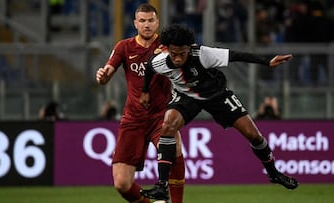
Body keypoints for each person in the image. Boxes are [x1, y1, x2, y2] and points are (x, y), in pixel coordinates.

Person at [139, 24, 299, 201]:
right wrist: (145, 91)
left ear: (189, 48)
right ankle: (162, 185)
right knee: (168, 126)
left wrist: (267, 62)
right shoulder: (159, 61)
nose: (177, 58)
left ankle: (274, 173)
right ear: (166, 49)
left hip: (217, 95)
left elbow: (235, 55)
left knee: (254, 135)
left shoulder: (202, 54)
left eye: (182, 54)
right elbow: (149, 68)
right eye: (174, 53)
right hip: (187, 97)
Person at [96, 4, 185, 203]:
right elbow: (108, 71)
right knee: (122, 184)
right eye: (142, 21)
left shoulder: (166, 46)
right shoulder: (124, 47)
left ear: (157, 22)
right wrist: (102, 76)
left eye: (151, 20)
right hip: (133, 118)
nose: (147, 25)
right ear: (135, 23)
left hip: (161, 116)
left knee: (175, 148)